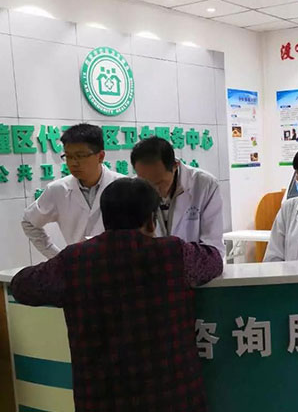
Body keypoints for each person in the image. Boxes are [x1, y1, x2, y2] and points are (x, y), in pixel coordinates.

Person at [11, 178, 223, 411]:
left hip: (102, 399)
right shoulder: (174, 252)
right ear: (151, 220)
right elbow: (214, 261)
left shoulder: (75, 260)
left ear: (106, 219)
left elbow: (21, 286)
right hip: (174, 398)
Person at [21, 123, 123, 258]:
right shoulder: (57, 190)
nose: (73, 163)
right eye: (68, 156)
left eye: (80, 156)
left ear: (100, 156)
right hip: (79, 267)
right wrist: (58, 257)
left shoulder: (123, 186)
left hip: (118, 264)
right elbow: (29, 222)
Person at [131, 137, 225, 257]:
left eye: (160, 183)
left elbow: (212, 245)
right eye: (147, 183)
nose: (154, 190)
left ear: (175, 166)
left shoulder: (204, 185)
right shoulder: (133, 190)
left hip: (193, 265)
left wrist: (181, 260)